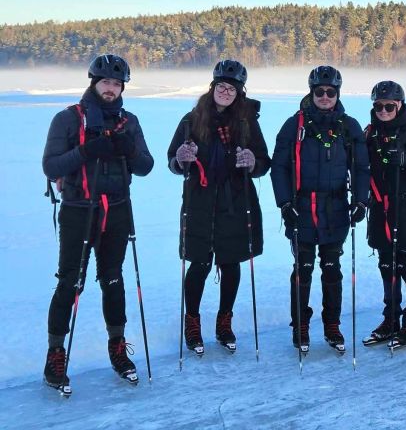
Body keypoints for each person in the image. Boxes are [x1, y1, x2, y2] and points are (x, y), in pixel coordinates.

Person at [41, 54, 154, 394]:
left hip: (117, 210)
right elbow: (51, 166)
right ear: (93, 82)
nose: (111, 88)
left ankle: (117, 348)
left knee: (113, 279)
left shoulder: (129, 121)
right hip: (78, 210)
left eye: (117, 84)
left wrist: (128, 149)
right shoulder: (67, 119)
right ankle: (55, 355)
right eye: (106, 82)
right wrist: (89, 151)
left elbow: (146, 166)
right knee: (69, 283)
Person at [166, 60, 270, 356]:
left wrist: (252, 161)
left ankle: (224, 323)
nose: (225, 92)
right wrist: (181, 159)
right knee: (198, 263)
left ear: (239, 93)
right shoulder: (191, 119)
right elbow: (173, 160)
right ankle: (192, 322)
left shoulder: (247, 122)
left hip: (236, 201)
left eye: (232, 89)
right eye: (221, 87)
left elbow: (264, 161)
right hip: (199, 201)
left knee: (231, 262)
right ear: (212, 88)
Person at [271, 66, 369, 353]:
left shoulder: (348, 126)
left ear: (338, 94)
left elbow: (362, 167)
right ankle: (300, 325)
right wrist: (284, 203)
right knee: (302, 269)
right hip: (302, 206)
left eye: (330, 92)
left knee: (331, 268)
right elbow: (279, 167)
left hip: (336, 206)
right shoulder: (295, 125)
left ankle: (332, 324)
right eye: (319, 92)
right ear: (311, 93)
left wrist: (361, 201)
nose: (325, 97)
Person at [362, 81, 406, 349]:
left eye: (389, 106)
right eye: (379, 106)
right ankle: (390, 319)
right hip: (381, 210)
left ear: (400, 105)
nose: (383, 111)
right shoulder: (369, 133)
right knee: (386, 266)